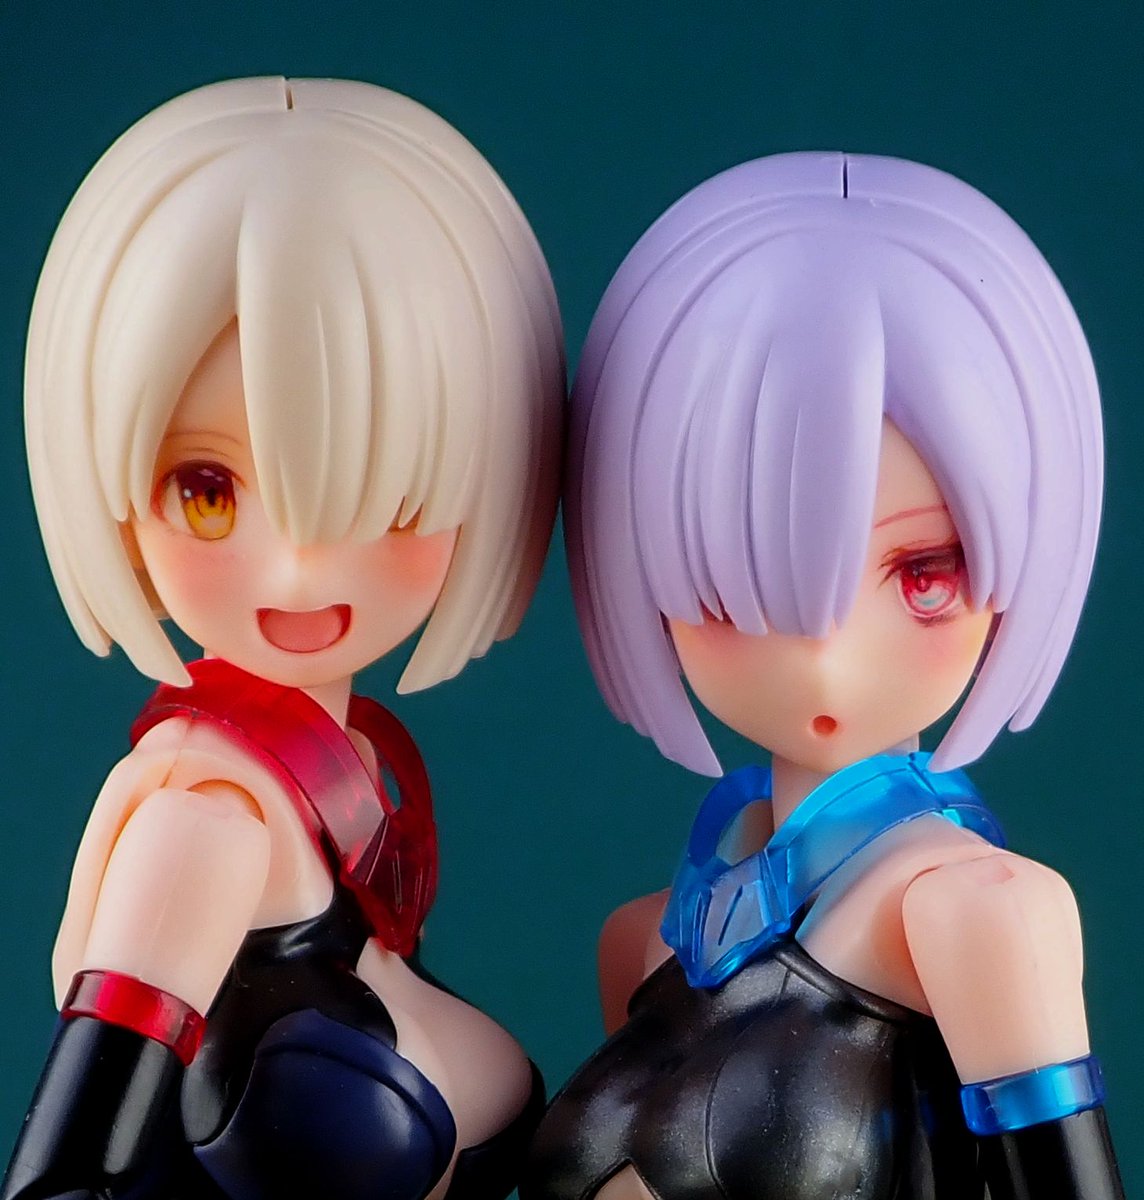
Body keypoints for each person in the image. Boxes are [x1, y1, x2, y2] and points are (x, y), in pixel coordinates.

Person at [7, 75, 564, 1200]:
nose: (297, 571)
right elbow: (71, 1171)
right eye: (209, 493)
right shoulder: (205, 821)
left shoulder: (348, 775)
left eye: (387, 497)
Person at [524, 152, 1122, 1200]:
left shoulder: (978, 914)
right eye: (736, 585)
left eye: (924, 575)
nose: (826, 657)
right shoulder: (654, 939)